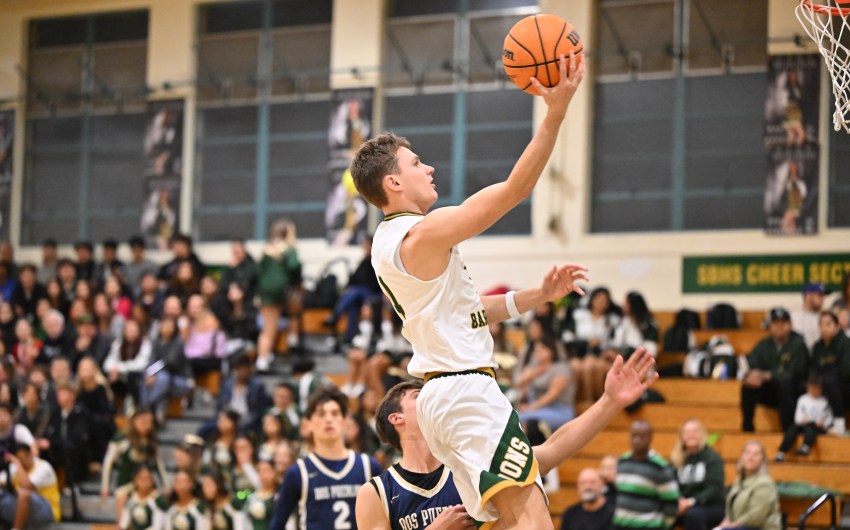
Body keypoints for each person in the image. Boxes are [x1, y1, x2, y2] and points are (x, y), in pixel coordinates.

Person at [352, 53, 657, 529]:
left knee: (516, 516)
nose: (428, 168)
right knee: (532, 517)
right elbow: (515, 189)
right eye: (416, 163)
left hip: (447, 393)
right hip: (464, 390)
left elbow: (468, 311)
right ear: (393, 182)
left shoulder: (396, 245)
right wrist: (555, 113)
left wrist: (537, 295)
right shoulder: (419, 235)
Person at [356, 358, 656, 530]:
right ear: (396, 418)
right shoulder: (377, 492)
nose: (434, 400)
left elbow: (553, 448)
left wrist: (609, 402)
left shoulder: (471, 462)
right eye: (419, 396)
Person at [270, 387, 382, 529]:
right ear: (308, 423)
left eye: (335, 414)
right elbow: (277, 524)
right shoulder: (298, 472)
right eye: (321, 414)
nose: (329, 419)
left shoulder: (369, 466)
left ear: (345, 421)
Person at [740, 307, 809, 432]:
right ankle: (747, 428)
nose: (779, 327)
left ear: (790, 325)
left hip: (793, 392)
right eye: (775, 324)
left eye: (783, 323)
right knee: (748, 387)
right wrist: (752, 376)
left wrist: (767, 375)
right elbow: (752, 363)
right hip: (771, 391)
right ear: (770, 326)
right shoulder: (764, 344)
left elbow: (794, 373)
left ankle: (787, 430)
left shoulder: (798, 343)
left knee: (785, 385)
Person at [613, 421, 680, 530]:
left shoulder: (659, 467)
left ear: (650, 438)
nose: (637, 440)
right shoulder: (622, 461)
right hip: (620, 526)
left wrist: (663, 526)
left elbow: (672, 503)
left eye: (642, 436)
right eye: (634, 435)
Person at [256, 219, 302, 370]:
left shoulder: (266, 250)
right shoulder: (289, 250)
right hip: (281, 289)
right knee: (292, 310)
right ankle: (292, 339)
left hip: (265, 291)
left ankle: (264, 357)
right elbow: (294, 266)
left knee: (269, 326)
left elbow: (258, 272)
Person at [563, 287, 621, 401]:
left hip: (600, 354)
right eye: (598, 298)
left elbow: (615, 341)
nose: (601, 302)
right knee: (575, 367)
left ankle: (592, 400)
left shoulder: (612, 320)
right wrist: (586, 343)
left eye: (605, 300)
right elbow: (568, 339)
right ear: (592, 299)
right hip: (579, 353)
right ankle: (574, 402)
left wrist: (605, 348)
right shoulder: (578, 315)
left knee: (591, 366)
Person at [324, 236, 382, 345]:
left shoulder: (377, 262)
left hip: (373, 292)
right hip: (360, 293)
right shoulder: (364, 262)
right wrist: (348, 287)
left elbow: (376, 282)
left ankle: (335, 315)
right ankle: (350, 336)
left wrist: (355, 287)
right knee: (353, 306)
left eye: (367, 245)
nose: (365, 248)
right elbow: (354, 278)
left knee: (355, 292)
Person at [670, 419, 725, 530]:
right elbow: (670, 484)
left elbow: (714, 488)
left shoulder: (712, 458)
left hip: (710, 505)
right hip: (683, 504)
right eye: (687, 432)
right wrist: (677, 501)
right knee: (663, 513)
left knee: (693, 515)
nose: (691, 435)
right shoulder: (676, 459)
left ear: (702, 435)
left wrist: (690, 502)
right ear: (681, 437)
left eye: (695, 431)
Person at [514, 334, 576, 431]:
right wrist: (533, 374)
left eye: (541, 350)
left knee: (519, 418)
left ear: (550, 351)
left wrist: (531, 407)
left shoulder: (560, 368)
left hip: (558, 409)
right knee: (512, 417)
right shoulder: (534, 366)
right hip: (536, 407)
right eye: (536, 350)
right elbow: (517, 382)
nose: (537, 353)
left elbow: (552, 395)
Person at [714, 441, 781, 530]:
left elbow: (756, 516)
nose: (750, 457)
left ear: (762, 460)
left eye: (756, 454)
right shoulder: (739, 480)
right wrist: (726, 521)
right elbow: (730, 507)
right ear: (742, 457)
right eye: (747, 453)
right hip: (740, 526)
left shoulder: (765, 484)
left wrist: (732, 525)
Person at [0, 443, 61, 529]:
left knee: (24, 494)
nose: (22, 462)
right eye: (18, 459)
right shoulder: (14, 467)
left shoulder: (43, 467)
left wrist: (17, 463)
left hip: (47, 511)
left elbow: (26, 487)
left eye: (22, 459)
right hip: (23, 510)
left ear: (30, 454)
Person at [810, 310, 850, 435]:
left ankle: (839, 423)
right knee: (801, 385)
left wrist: (824, 377)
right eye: (821, 325)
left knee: (830, 381)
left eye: (828, 324)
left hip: (845, 386)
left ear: (837, 326)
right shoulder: (818, 347)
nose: (824, 328)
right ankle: (806, 426)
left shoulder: (845, 343)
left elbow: (846, 370)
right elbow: (813, 369)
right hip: (824, 384)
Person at [775, 374, 833, 461]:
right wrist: (802, 420)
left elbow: (829, 417)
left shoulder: (825, 401)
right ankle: (781, 452)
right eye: (812, 388)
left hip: (817, 426)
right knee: (791, 430)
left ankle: (806, 447)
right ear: (808, 387)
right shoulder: (803, 399)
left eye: (817, 389)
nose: (814, 391)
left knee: (810, 429)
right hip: (803, 424)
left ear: (821, 389)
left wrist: (823, 424)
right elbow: (797, 417)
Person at [118, 466, 164, 530]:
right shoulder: (130, 500)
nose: (144, 481)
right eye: (141, 478)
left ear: (152, 481)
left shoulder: (159, 501)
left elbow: (157, 527)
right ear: (135, 480)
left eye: (147, 478)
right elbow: (124, 524)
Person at [790, 282, 826, 351]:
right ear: (808, 296)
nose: (823, 299)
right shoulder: (793, 317)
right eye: (820, 295)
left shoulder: (824, 317)